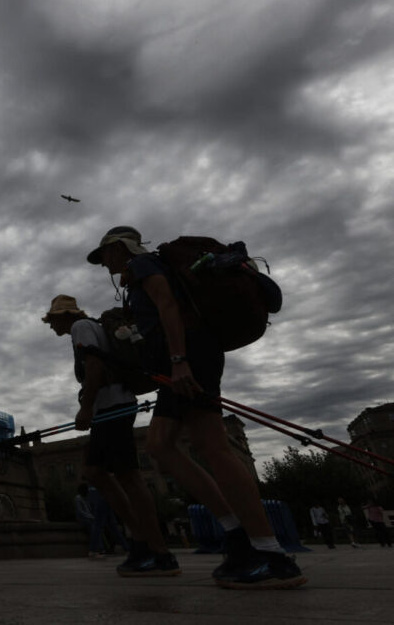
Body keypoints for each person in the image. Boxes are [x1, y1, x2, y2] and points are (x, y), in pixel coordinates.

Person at [87, 226, 305, 589]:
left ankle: (270, 554)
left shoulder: (143, 265)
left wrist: (178, 360)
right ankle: (235, 535)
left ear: (118, 248)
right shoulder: (137, 277)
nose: (103, 262)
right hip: (179, 364)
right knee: (160, 445)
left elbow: (168, 304)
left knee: (212, 445)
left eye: (104, 254)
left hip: (189, 358)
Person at [44, 294, 178, 576]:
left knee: (127, 475)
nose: (51, 325)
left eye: (52, 319)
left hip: (111, 405)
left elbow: (95, 366)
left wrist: (86, 408)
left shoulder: (80, 327)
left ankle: (155, 550)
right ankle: (142, 540)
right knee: (94, 471)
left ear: (64, 316)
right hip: (114, 404)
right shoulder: (89, 326)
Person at [74, 482, 105, 559]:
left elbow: (88, 509)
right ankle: (98, 549)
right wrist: (91, 517)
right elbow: (80, 511)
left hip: (88, 518)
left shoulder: (85, 498)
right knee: (93, 528)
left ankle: (100, 548)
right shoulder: (78, 498)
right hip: (83, 519)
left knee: (97, 527)